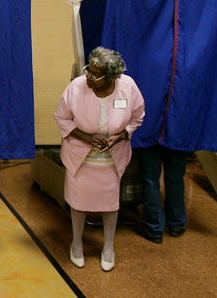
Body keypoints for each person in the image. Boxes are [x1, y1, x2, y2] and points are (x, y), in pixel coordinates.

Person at [54, 47, 145, 271]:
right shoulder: (77, 87)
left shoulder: (128, 87)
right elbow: (61, 118)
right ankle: (76, 244)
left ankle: (108, 247)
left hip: (111, 159)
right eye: (89, 71)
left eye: (95, 74)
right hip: (81, 157)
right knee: (78, 202)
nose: (89, 77)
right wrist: (86, 137)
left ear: (111, 77)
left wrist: (120, 136)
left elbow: (137, 117)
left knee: (110, 205)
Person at [135, 146, 188, 243]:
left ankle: (154, 228)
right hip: (179, 137)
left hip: (151, 136)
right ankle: (176, 224)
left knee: (151, 181)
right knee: (176, 179)